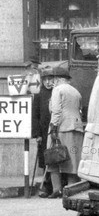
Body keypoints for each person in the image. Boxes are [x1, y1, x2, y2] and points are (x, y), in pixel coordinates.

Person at [41, 61, 84, 198]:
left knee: (53, 157)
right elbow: (80, 110)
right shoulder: (76, 91)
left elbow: (57, 111)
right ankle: (71, 189)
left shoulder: (57, 90)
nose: (51, 81)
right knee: (72, 159)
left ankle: (57, 189)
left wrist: (53, 128)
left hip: (61, 128)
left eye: (53, 78)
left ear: (58, 79)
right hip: (76, 128)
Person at [31, 59, 54, 197]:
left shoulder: (57, 91)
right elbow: (35, 115)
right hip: (43, 133)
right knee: (45, 159)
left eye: (50, 79)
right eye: (45, 79)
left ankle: (56, 185)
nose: (47, 82)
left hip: (56, 131)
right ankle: (46, 186)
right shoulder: (39, 94)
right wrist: (37, 134)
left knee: (57, 157)